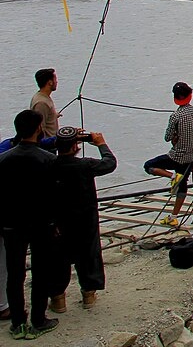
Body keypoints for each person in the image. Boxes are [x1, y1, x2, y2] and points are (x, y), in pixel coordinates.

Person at [0, 110, 59, 339]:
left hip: (12, 225)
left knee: (15, 275)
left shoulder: (4, 159)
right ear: (38, 129)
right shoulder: (48, 160)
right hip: (41, 224)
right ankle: (38, 319)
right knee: (41, 272)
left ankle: (17, 322)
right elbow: (55, 195)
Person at [49, 127, 115, 313]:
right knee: (88, 255)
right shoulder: (85, 165)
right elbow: (109, 163)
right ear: (76, 146)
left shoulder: (49, 165)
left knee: (58, 259)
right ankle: (88, 294)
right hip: (85, 219)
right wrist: (101, 144)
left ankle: (58, 299)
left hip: (59, 221)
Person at [143, 82, 193, 228]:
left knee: (148, 166)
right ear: (190, 95)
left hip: (177, 156)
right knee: (183, 185)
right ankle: (174, 216)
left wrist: (176, 136)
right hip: (192, 154)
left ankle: (172, 176)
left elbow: (167, 137)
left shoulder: (176, 115)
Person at [30, 68, 59, 142]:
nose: (57, 82)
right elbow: (40, 130)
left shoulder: (44, 97)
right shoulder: (41, 103)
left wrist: (53, 115)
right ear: (50, 82)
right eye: (55, 79)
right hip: (47, 147)